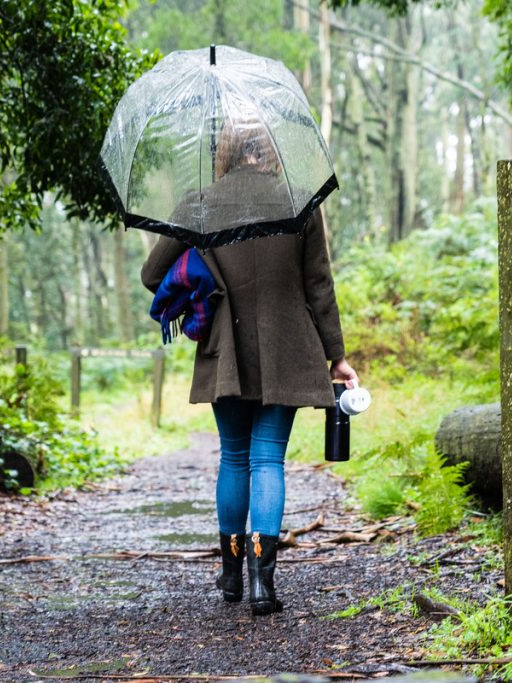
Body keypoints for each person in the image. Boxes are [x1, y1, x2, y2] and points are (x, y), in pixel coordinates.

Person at [140, 115, 358, 617]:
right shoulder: (299, 201)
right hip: (290, 349)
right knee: (267, 461)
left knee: (234, 457)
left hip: (226, 351)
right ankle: (264, 585)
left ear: (226, 151)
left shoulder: (199, 203)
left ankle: (232, 576)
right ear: (270, 149)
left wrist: (201, 265)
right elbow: (318, 286)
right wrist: (337, 357)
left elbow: (153, 274)